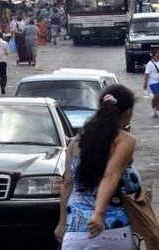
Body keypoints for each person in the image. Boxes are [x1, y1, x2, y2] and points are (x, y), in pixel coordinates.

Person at [54, 84, 140, 249]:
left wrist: (61, 224)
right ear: (128, 112)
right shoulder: (124, 140)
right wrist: (99, 215)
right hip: (113, 229)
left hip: (75, 233)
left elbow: (67, 185)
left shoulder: (76, 141)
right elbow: (111, 176)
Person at [143, 49, 159, 117]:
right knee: (157, 95)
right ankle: (153, 109)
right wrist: (145, 83)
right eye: (156, 56)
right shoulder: (149, 64)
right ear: (152, 56)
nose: (158, 57)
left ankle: (157, 110)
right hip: (153, 81)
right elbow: (146, 74)